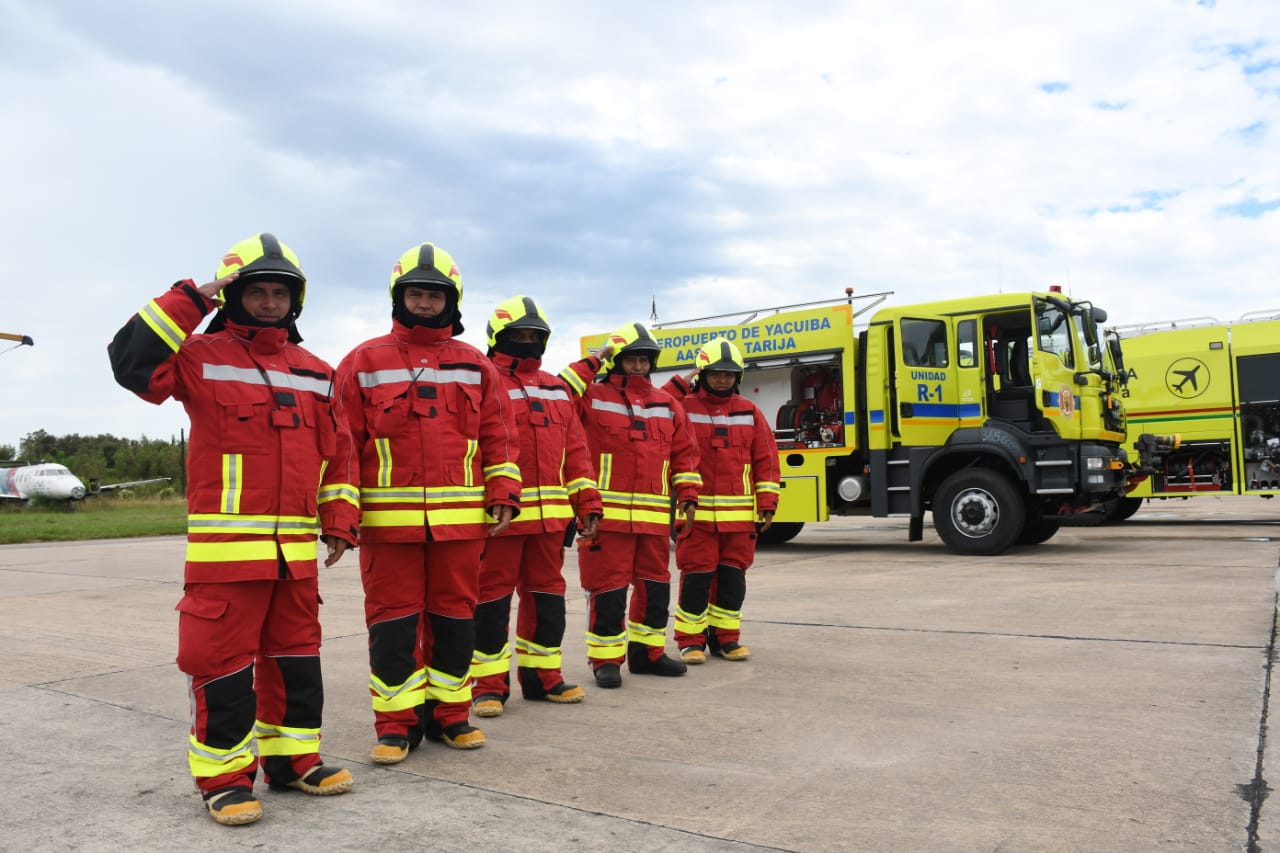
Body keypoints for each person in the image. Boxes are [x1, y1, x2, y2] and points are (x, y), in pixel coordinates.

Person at [108, 233, 359, 827]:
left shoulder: (319, 373)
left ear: (295, 301)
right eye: (257, 291)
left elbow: (341, 455)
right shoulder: (199, 356)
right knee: (220, 665)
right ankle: (223, 779)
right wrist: (191, 298)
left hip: (295, 554)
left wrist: (341, 521)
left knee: (297, 659)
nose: (270, 302)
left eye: (280, 292)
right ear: (235, 296)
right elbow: (131, 364)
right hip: (226, 554)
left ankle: (295, 761)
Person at [332, 242, 520, 765]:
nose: (424, 303)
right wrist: (341, 518)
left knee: (455, 621)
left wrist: (504, 493)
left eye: (434, 296)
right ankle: (395, 725)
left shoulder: (476, 365)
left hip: (461, 529)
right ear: (399, 297)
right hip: (387, 531)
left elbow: (498, 438)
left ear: (451, 302)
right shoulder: (362, 362)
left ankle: (451, 717)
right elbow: (342, 445)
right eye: (415, 293)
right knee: (392, 625)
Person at [470, 296, 603, 716]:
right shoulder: (481, 379)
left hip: (550, 523)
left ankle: (544, 678)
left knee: (548, 602)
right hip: (500, 521)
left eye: (534, 336)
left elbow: (576, 452)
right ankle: (487, 686)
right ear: (498, 337)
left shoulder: (555, 389)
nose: (526, 343)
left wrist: (587, 502)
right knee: (490, 605)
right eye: (518, 336)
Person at [559, 322, 701, 688]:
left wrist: (687, 496)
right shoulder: (592, 395)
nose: (638, 367)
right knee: (608, 592)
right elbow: (560, 395)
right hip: (606, 519)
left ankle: (648, 654)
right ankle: (605, 660)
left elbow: (685, 454)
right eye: (630, 360)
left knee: (655, 588)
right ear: (616, 361)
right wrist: (595, 360)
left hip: (653, 521)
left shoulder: (667, 404)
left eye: (643, 360)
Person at [663, 337, 780, 663]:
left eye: (729, 374)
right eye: (715, 374)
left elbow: (766, 460)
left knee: (732, 581)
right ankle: (690, 641)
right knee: (696, 580)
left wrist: (767, 503)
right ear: (702, 373)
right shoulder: (682, 405)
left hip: (739, 518)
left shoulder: (750, 411)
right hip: (695, 515)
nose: (723, 380)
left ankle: (726, 640)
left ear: (738, 377)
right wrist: (679, 381)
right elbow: (655, 403)